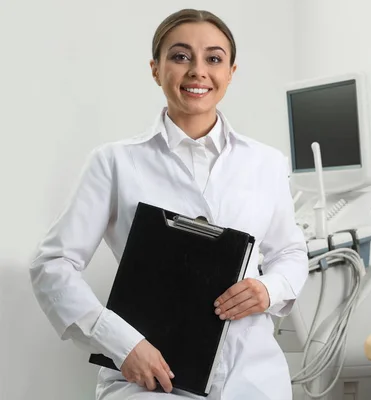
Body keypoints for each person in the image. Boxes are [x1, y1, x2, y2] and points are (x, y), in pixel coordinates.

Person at [29, 8, 308, 400]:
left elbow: (291, 251)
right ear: (156, 69)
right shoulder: (114, 162)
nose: (198, 71)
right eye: (180, 56)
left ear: (230, 72)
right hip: (148, 378)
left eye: (213, 58)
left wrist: (269, 288)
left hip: (252, 374)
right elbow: (52, 265)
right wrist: (122, 343)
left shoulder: (266, 163)